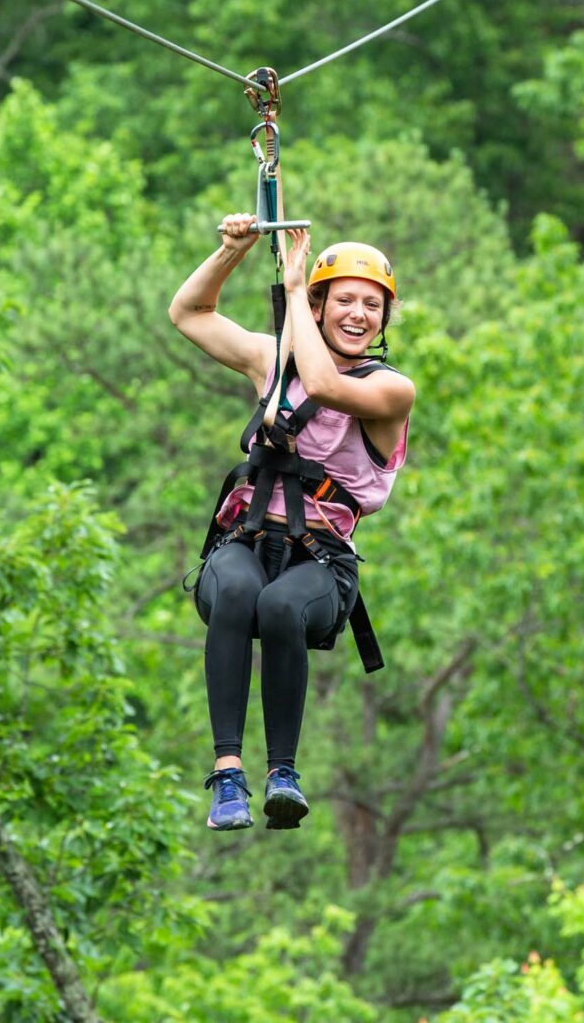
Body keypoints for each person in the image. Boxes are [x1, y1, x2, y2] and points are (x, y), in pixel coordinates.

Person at [169, 215, 416, 830]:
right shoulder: (272, 362)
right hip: (248, 539)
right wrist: (233, 252)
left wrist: (298, 286)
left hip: (320, 568)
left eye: (372, 306)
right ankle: (228, 773)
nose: (359, 315)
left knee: (279, 606)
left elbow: (327, 383)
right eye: (346, 301)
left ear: (385, 322)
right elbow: (190, 313)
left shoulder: (392, 391)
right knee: (238, 589)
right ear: (321, 307)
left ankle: (283, 772)